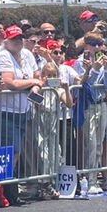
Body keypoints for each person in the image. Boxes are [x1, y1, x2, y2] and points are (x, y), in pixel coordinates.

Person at [0, 25, 41, 205]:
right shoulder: (4, 55)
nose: (17, 42)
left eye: (19, 38)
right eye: (13, 39)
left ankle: (8, 190)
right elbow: (8, 82)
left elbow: (38, 75)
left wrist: (35, 84)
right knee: (11, 151)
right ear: (6, 41)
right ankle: (5, 192)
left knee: (17, 151)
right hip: (4, 111)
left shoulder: (27, 54)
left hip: (23, 110)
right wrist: (32, 82)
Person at [73, 32, 107, 194]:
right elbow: (85, 85)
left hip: (102, 104)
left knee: (98, 145)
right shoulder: (80, 62)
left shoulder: (103, 60)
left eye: (99, 44)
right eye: (93, 44)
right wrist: (94, 69)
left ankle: (94, 178)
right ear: (86, 44)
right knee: (90, 143)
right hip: (88, 105)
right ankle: (89, 180)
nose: (97, 47)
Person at [33, 63, 73, 199]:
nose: (51, 78)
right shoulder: (39, 88)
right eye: (48, 75)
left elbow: (69, 104)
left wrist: (66, 89)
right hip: (41, 123)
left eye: (53, 75)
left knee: (55, 154)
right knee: (43, 154)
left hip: (54, 125)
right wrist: (42, 87)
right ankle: (44, 184)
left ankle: (52, 182)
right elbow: (33, 100)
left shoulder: (58, 90)